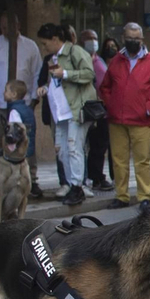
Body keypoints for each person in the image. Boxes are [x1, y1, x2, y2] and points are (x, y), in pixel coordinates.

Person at [96, 21, 150, 210]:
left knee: (143, 160)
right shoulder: (117, 61)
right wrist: (111, 105)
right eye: (129, 38)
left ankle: (145, 196)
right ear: (123, 38)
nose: (133, 42)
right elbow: (105, 87)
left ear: (142, 39)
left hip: (142, 120)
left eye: (136, 39)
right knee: (118, 161)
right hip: (117, 120)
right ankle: (121, 196)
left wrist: (149, 108)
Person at [0, 10, 43, 200]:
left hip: (23, 103)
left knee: (26, 140)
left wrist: (32, 100)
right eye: (4, 27)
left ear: (19, 26)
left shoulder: (30, 47)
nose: (8, 30)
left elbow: (36, 73)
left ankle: (30, 178)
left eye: (12, 27)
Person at [36, 23, 98, 205]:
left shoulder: (75, 52)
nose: (44, 46)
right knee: (62, 151)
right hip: (61, 112)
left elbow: (89, 74)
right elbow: (55, 82)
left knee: (74, 148)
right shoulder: (52, 57)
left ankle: (78, 186)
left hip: (76, 110)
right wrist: (45, 88)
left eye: (45, 42)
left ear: (55, 39)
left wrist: (66, 73)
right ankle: (72, 184)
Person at [81, 28, 114, 191]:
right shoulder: (82, 59)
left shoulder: (98, 60)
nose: (93, 42)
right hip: (88, 108)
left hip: (102, 109)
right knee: (87, 146)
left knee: (99, 145)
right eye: (89, 38)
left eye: (95, 38)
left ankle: (97, 176)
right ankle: (89, 177)